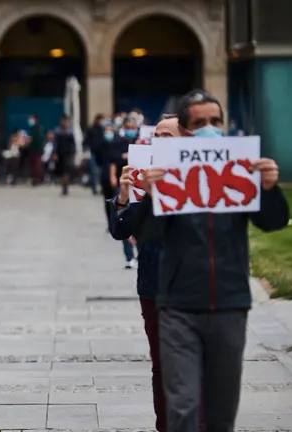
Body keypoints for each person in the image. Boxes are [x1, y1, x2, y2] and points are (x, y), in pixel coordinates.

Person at [136, 90, 290, 432]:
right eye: (201, 122)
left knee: (221, 413)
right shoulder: (168, 175)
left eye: (216, 121)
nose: (210, 128)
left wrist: (269, 188)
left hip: (229, 305)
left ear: (224, 126)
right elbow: (147, 234)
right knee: (183, 406)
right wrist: (151, 197)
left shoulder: (241, 169)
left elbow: (272, 222)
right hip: (178, 307)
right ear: (188, 132)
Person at [107, 115, 186, 432]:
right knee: (162, 365)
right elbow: (120, 230)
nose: (160, 140)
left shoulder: (202, 179)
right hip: (153, 285)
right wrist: (126, 197)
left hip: (194, 283)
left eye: (168, 135)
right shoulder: (142, 179)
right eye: (156, 135)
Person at [107, 117, 138, 268]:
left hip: (141, 185)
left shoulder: (141, 142)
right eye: (129, 127)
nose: (131, 129)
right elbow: (113, 161)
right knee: (123, 216)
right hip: (125, 182)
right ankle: (129, 255)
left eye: (133, 127)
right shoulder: (118, 142)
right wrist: (113, 176)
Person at [52, 115, 76, 195]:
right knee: (61, 171)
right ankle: (63, 186)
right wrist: (54, 153)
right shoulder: (57, 131)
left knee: (66, 171)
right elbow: (55, 143)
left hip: (68, 154)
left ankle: (66, 186)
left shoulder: (70, 131)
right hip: (60, 154)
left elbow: (73, 144)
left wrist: (74, 153)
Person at [84, 114, 107, 195]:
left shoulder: (103, 129)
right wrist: (87, 149)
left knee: (101, 172)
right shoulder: (91, 129)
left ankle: (102, 188)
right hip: (93, 152)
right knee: (94, 171)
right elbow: (86, 140)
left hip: (102, 152)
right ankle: (94, 188)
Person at [27, 114, 45, 186]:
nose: (29, 121)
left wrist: (30, 140)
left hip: (37, 149)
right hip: (34, 149)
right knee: (34, 164)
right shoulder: (34, 128)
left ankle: (38, 179)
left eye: (31, 119)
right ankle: (36, 178)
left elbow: (37, 138)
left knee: (37, 165)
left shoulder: (37, 128)